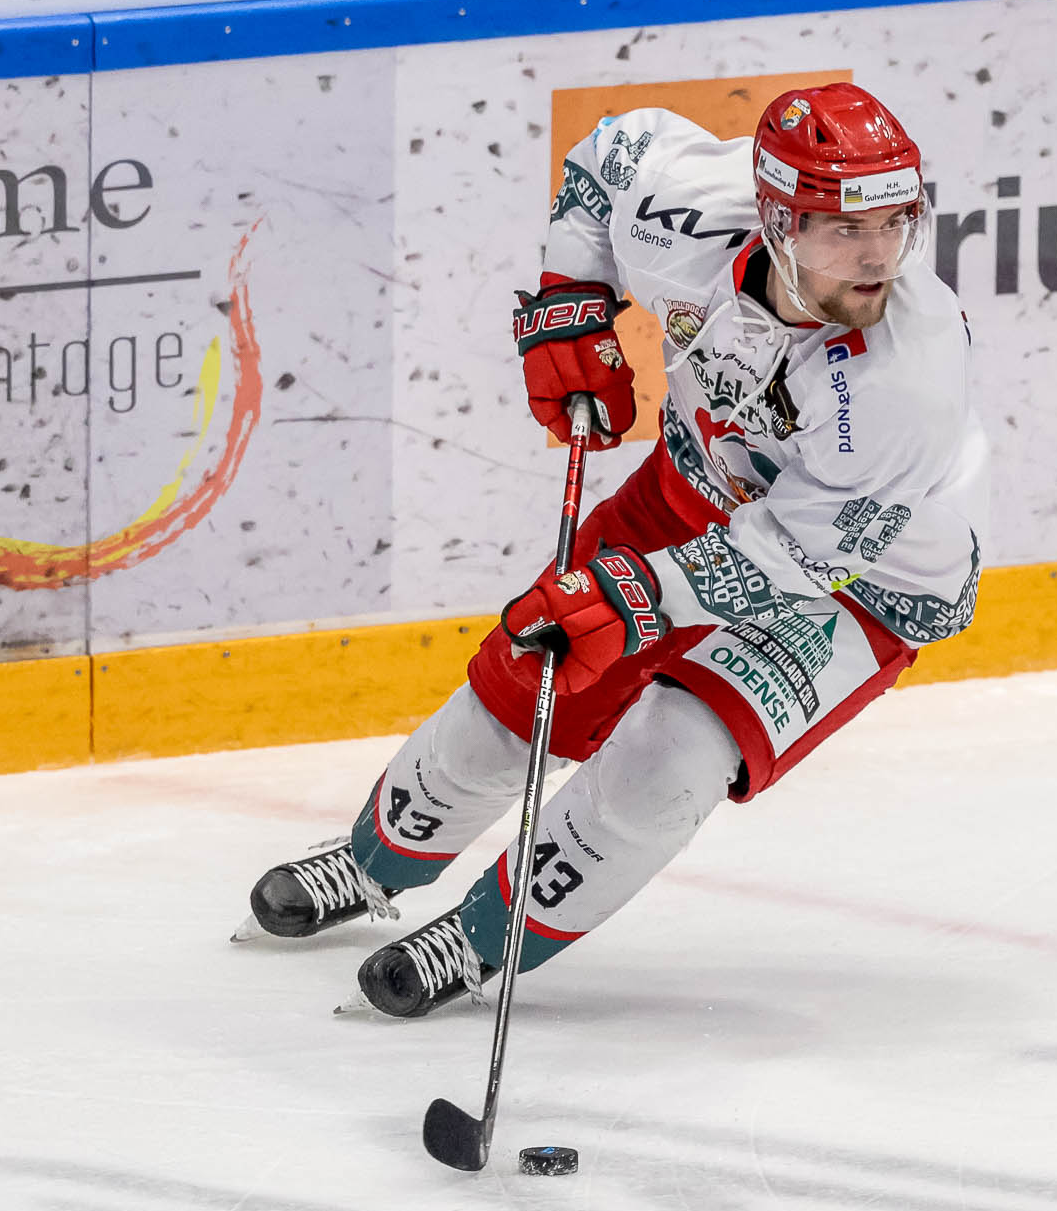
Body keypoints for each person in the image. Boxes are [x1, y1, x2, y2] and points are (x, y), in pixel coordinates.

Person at [237, 82, 989, 1018]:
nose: (878, 254)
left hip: (861, 585)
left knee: (668, 753)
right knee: (529, 672)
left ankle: (479, 938)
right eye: (843, 228)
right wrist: (572, 299)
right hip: (691, 488)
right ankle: (373, 860)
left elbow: (801, 556)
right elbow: (604, 160)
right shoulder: (692, 214)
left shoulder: (906, 380)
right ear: (776, 220)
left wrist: (644, 593)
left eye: (894, 221)